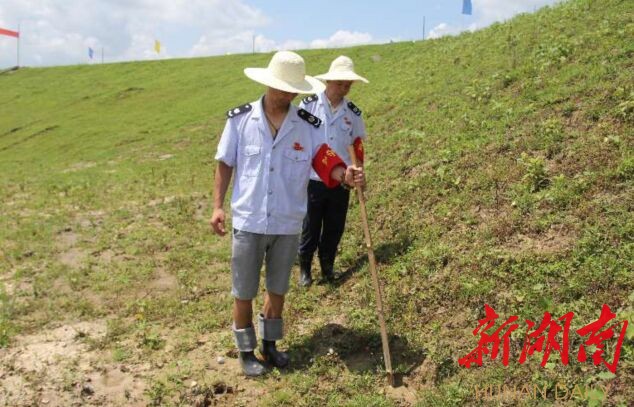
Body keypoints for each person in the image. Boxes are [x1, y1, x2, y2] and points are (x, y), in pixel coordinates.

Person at [210, 51, 364, 377]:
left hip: (288, 221)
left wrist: (345, 175)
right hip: (250, 219)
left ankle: (270, 345)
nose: (288, 94)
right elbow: (225, 163)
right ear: (268, 84)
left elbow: (325, 161)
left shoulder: (307, 125)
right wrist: (218, 206)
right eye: (282, 88)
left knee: (277, 288)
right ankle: (246, 351)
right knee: (244, 290)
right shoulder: (240, 120)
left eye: (293, 89)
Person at [297, 55, 369, 287]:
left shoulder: (353, 114)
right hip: (313, 178)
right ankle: (305, 269)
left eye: (348, 84)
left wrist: (358, 172)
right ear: (328, 82)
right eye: (340, 83)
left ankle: (327, 266)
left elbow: (357, 146)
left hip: (342, 180)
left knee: (335, 226)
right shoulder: (308, 106)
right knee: (311, 225)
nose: (344, 88)